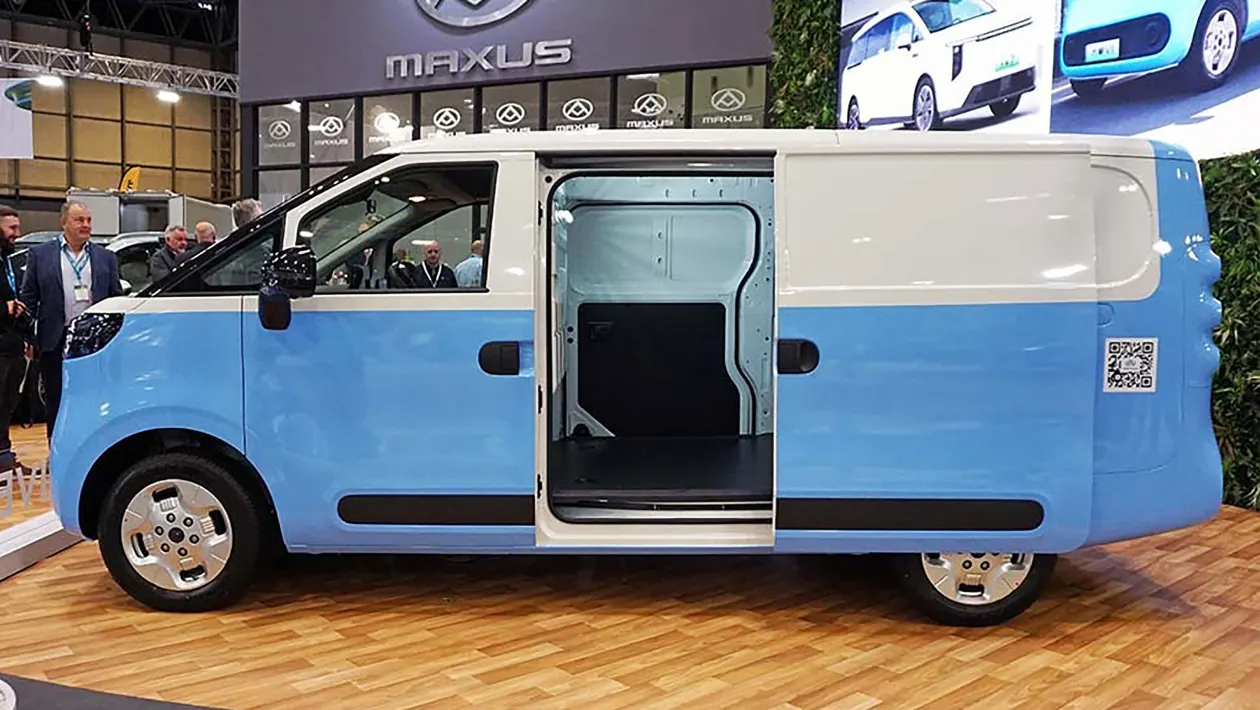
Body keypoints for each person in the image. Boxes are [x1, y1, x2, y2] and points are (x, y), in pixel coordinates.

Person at [20, 200, 123, 438]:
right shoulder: (40, 255)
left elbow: (115, 297)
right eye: (79, 220)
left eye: (88, 220)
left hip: (95, 340)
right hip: (55, 338)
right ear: (64, 222)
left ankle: (93, 445)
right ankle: (56, 445)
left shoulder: (105, 257)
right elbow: (29, 298)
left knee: (94, 396)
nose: (85, 225)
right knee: (56, 396)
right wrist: (28, 337)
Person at [0, 206, 34, 476]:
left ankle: (4, 459)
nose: (17, 233)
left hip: (12, 344)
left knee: (6, 407)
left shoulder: (6, 259)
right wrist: (5, 307)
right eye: (11, 228)